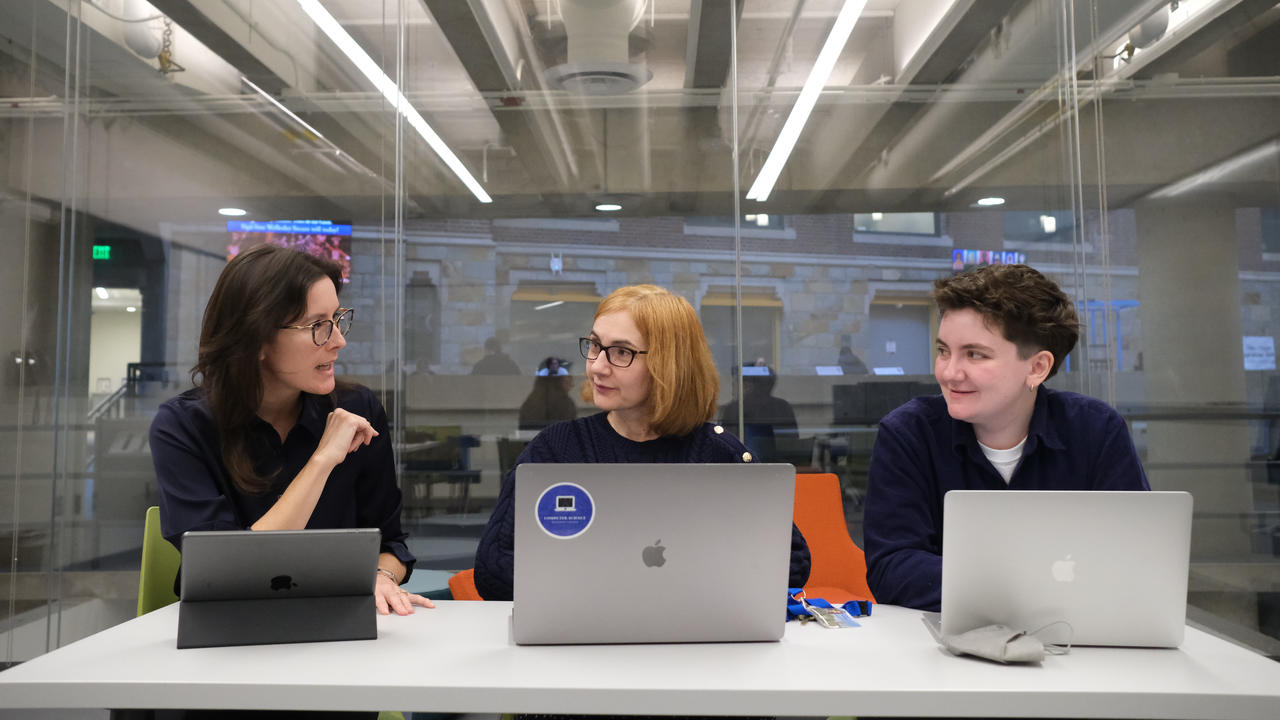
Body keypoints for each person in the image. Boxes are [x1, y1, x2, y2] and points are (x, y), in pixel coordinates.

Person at [474, 284, 811, 600]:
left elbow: (793, 564)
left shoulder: (719, 453)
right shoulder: (557, 449)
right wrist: (620, 590)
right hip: (583, 643)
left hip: (697, 644)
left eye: (621, 352)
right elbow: (493, 570)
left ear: (670, 364)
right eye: (595, 345)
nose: (597, 367)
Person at [150, 244, 432, 620]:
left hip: (336, 628)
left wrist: (381, 576)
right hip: (227, 633)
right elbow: (233, 570)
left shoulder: (358, 410)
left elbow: (390, 543)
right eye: (318, 326)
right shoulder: (183, 426)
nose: (338, 340)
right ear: (257, 339)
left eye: (338, 318)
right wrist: (322, 460)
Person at [863, 264, 1149, 611]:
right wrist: (1032, 588)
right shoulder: (909, 433)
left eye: (974, 354)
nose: (949, 372)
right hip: (944, 646)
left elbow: (1136, 561)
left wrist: (993, 585)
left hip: (1081, 638)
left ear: (1037, 367)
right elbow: (891, 569)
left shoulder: (1097, 430)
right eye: (943, 351)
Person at [719, 360, 799, 461]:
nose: (734, 386)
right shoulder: (783, 406)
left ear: (749, 386)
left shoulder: (734, 408)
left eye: (737, 382)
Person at [518, 356, 578, 430]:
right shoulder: (565, 405)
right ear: (555, 380)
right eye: (567, 375)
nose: (571, 380)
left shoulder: (530, 404)